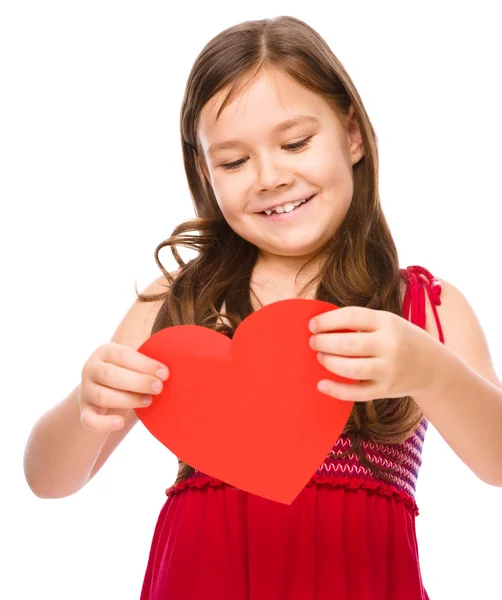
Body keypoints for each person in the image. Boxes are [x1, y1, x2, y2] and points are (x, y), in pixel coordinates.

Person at [23, 15, 502, 600]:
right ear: (205, 172)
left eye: (296, 143)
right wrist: (85, 404)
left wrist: (429, 369)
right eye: (233, 161)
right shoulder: (173, 306)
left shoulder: (424, 306)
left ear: (352, 135)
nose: (271, 177)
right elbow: (48, 481)